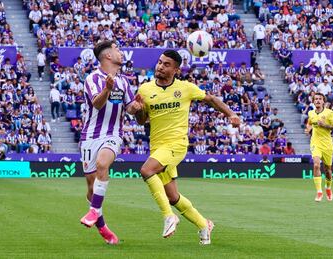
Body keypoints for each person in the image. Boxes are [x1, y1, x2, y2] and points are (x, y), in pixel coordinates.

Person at [134, 50, 240, 245]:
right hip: (157, 147)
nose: (160, 66)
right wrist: (137, 111)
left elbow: (212, 99)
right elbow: (142, 120)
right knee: (173, 197)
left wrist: (231, 114)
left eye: (166, 64)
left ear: (176, 69)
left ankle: (168, 216)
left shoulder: (186, 88)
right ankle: (203, 225)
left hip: (176, 144)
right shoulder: (145, 90)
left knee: (146, 170)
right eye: (159, 62)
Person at [79, 41, 142, 244]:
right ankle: (103, 227)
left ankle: (93, 212)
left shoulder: (124, 82)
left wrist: (137, 106)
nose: (121, 53)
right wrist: (107, 89)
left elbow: (130, 107)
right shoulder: (92, 79)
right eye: (117, 49)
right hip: (90, 137)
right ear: (107, 55)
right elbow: (96, 104)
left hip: (113, 134)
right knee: (91, 188)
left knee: (102, 165)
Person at [305, 93, 333, 202]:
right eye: (316, 99)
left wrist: (325, 125)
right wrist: (308, 129)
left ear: (323, 101)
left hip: (327, 144)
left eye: (320, 99)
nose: (318, 101)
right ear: (313, 101)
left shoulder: (329, 113)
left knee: (328, 171)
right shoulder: (311, 113)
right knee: (316, 165)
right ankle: (319, 192)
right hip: (315, 143)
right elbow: (309, 122)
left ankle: (328, 188)